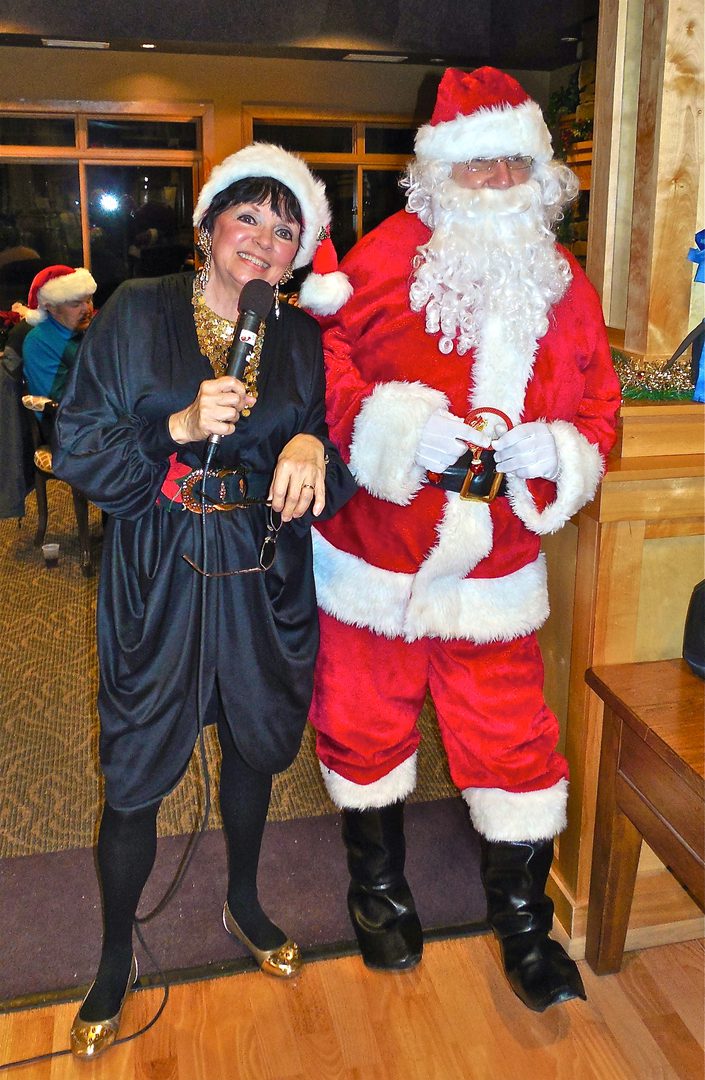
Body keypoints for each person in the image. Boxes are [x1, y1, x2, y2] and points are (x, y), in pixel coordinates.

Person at [306, 67, 622, 1012]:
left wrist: (559, 450)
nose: (493, 179)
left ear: (539, 172)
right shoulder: (382, 255)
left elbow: (601, 408)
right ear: (439, 171)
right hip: (378, 561)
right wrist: (390, 422)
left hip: (495, 571)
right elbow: (321, 364)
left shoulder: (561, 280)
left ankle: (525, 928)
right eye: (474, 162)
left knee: (516, 748)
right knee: (362, 732)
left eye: (511, 163)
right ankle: (378, 891)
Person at [52, 142, 357, 1060]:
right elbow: (76, 442)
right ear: (209, 229)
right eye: (249, 218)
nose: (265, 240)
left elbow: (324, 465)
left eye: (285, 227)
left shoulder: (298, 336)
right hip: (162, 561)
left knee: (255, 738)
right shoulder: (140, 313)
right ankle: (113, 958)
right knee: (140, 762)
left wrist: (312, 453)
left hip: (262, 570)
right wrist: (175, 426)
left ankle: (246, 900)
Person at [13, 264, 96, 401]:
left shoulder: (87, 331)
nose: (86, 309)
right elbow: (60, 399)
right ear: (52, 308)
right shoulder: (40, 342)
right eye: (76, 304)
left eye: (88, 301)